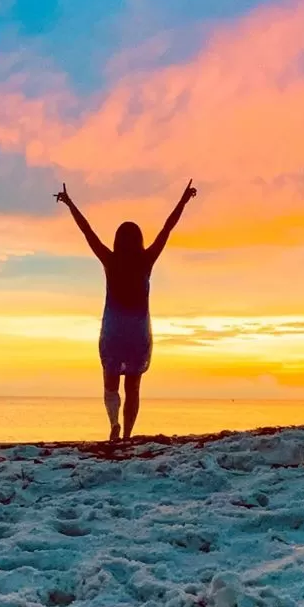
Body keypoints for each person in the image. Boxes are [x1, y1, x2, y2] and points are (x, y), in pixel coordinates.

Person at [55, 180, 198, 441]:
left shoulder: (110, 260)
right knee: (133, 387)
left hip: (114, 330)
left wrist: (69, 203)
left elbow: (88, 232)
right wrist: (184, 200)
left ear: (118, 241)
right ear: (139, 240)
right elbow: (168, 227)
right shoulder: (146, 260)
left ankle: (113, 425)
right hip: (138, 332)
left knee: (111, 384)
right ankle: (128, 434)